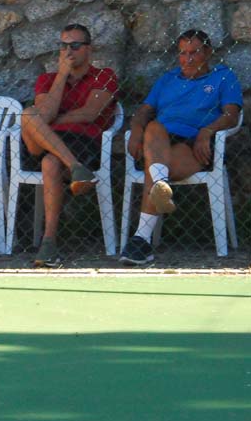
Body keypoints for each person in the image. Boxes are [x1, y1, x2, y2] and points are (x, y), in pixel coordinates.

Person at [121, 29, 242, 266]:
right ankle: (157, 195)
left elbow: (231, 114)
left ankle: (142, 237)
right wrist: (135, 130)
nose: (188, 59)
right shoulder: (168, 79)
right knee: (153, 127)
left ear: (208, 52)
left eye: (194, 52)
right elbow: (144, 112)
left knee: (156, 169)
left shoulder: (223, 77)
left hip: (194, 143)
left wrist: (207, 131)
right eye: (183, 53)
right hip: (159, 140)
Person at [19, 23, 119, 267]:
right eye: (63, 46)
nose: (68, 51)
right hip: (45, 142)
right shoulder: (48, 79)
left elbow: (90, 113)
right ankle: (76, 168)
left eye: (74, 45)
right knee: (29, 114)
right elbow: (44, 114)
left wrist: (50, 121)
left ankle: (49, 243)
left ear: (89, 49)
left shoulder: (104, 76)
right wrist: (62, 75)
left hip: (83, 141)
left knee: (50, 162)